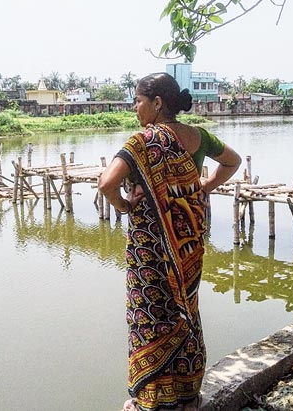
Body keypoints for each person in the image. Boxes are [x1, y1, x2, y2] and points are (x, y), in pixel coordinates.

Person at [98, 73, 241, 411]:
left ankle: (152, 398)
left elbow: (107, 184)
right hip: (187, 243)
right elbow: (232, 162)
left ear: (157, 103)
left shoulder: (142, 141)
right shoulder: (199, 136)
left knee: (150, 311)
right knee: (184, 309)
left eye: (138, 101)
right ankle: (188, 393)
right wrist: (201, 188)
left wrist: (123, 205)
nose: (135, 108)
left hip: (151, 248)